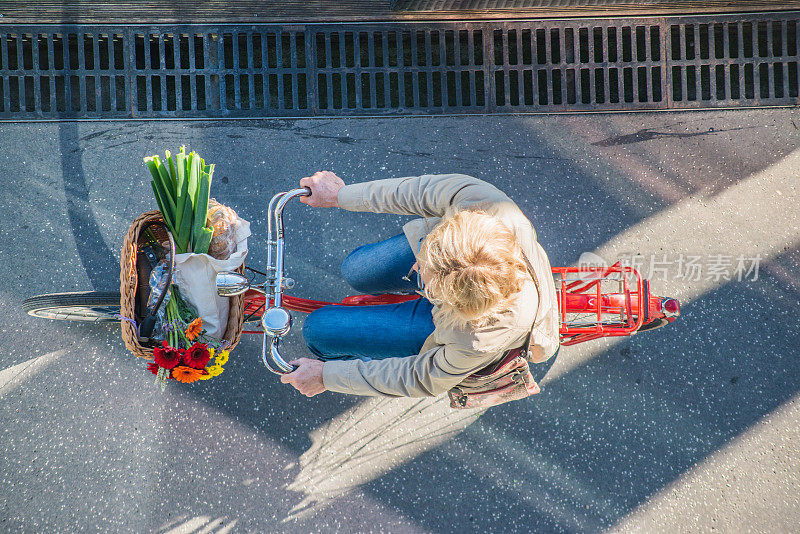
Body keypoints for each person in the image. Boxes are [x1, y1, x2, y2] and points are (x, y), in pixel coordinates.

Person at [280, 171, 560, 398]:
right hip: (464, 288)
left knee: (318, 331)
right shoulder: (484, 204)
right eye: (425, 256)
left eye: (422, 273)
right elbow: (415, 191)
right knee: (356, 269)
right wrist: (340, 195)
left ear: (448, 297)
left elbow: (420, 377)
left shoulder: (478, 338)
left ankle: (363, 352)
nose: (415, 268)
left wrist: (327, 377)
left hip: (455, 323)